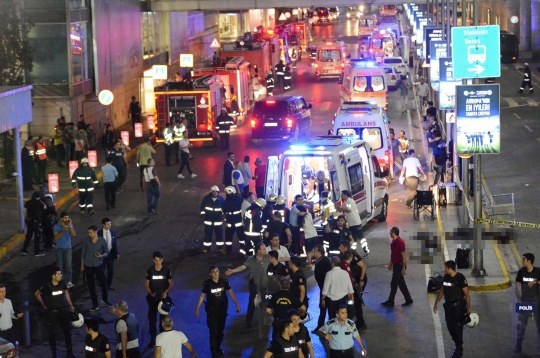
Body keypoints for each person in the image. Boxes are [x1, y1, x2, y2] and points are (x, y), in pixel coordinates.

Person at [195, 265, 241, 357]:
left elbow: (231, 293)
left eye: (217, 271)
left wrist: (237, 304)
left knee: (220, 331)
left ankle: (218, 347)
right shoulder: (207, 284)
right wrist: (197, 308)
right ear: (210, 274)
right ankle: (213, 351)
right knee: (213, 332)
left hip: (222, 311)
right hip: (212, 311)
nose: (216, 273)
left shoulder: (224, 282)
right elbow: (202, 296)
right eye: (213, 272)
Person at [34, 267, 76, 358]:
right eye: (58, 274)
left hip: (63, 311)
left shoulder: (62, 284)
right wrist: (43, 304)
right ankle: (54, 353)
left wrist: (70, 305)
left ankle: (70, 352)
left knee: (67, 332)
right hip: (52, 313)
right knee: (52, 334)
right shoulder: (47, 286)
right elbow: (37, 293)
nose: (61, 275)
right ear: (53, 276)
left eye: (60, 274)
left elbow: (66, 293)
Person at [433, 260, 472, 358]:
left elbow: (466, 294)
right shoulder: (445, 277)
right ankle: (458, 345)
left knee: (457, 328)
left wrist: (469, 307)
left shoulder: (460, 278)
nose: (444, 269)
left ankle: (459, 349)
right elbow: (442, 290)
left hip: (458, 307)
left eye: (445, 267)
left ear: (450, 268)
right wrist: (436, 303)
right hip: (448, 307)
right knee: (450, 327)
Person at [226, 242, 269, 329]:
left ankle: (266, 320)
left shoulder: (267, 257)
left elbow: (279, 259)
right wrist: (233, 271)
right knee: (252, 303)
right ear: (258, 251)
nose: (265, 250)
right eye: (263, 249)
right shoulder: (251, 260)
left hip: (265, 285)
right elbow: (243, 267)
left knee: (267, 302)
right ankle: (249, 321)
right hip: (255, 285)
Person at [513, 253, 540, 353]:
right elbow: (517, 286)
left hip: (536, 302)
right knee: (521, 325)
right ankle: (518, 346)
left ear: (529, 261)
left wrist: (535, 282)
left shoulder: (538, 271)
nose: (522, 261)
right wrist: (519, 298)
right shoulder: (521, 271)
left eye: (524, 259)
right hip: (525, 301)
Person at [145, 251, 173, 348]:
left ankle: (162, 340)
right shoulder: (150, 271)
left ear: (162, 260)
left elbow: (170, 283)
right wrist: (151, 293)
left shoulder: (166, 270)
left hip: (163, 299)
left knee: (163, 321)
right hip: (153, 299)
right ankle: (153, 340)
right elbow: (147, 285)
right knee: (152, 321)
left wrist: (166, 292)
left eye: (159, 260)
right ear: (153, 260)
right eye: (156, 260)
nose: (157, 262)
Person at [81, 225, 112, 311]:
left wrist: (101, 255)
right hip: (88, 265)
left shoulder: (102, 241)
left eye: (90, 232)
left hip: (98, 264)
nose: (89, 234)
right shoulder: (87, 241)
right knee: (91, 285)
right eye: (88, 232)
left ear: (95, 232)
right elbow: (83, 253)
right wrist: (82, 265)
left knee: (103, 282)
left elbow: (107, 251)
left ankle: (105, 299)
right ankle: (95, 304)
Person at [382, 227, 413, 308]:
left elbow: (403, 256)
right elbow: (393, 255)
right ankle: (408, 299)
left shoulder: (400, 243)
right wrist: (390, 264)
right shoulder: (393, 242)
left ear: (394, 233)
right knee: (401, 283)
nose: (390, 233)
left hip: (399, 265)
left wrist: (403, 268)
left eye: (391, 232)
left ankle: (391, 301)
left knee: (394, 284)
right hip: (396, 265)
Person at [339, 240, 367, 331]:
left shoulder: (353, 255)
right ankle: (358, 320)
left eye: (340, 246)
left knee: (357, 302)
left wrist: (361, 280)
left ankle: (361, 323)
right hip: (353, 282)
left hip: (359, 281)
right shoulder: (345, 256)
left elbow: (363, 266)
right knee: (354, 302)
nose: (339, 248)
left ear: (344, 247)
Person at [335, 190, 369, 258]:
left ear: (345, 195)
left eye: (342, 195)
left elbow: (348, 210)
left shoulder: (350, 201)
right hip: (351, 224)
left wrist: (341, 208)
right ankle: (353, 252)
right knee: (353, 239)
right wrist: (337, 206)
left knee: (361, 238)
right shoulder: (345, 202)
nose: (341, 196)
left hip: (356, 223)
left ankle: (366, 251)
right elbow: (341, 210)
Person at [53, 212, 76, 288]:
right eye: (65, 218)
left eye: (68, 218)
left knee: (68, 265)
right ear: (61, 219)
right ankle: (61, 281)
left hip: (68, 248)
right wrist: (62, 231)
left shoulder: (69, 225)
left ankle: (69, 281)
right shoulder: (56, 226)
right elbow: (56, 237)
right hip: (59, 248)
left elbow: (74, 235)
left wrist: (70, 226)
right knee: (60, 266)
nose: (67, 219)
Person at [200, 186, 225, 253]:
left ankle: (220, 248)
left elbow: (224, 208)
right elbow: (202, 208)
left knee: (219, 235)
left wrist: (222, 215)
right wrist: (203, 215)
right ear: (211, 192)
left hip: (218, 221)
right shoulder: (206, 199)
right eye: (214, 192)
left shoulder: (221, 199)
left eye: (216, 192)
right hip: (209, 220)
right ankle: (206, 248)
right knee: (208, 235)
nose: (215, 193)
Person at [313, 245, 332, 332]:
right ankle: (320, 326)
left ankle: (328, 327)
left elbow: (327, 275)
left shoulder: (324, 261)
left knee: (325, 307)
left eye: (315, 251)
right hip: (323, 288)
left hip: (326, 289)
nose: (314, 252)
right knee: (322, 308)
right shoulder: (320, 261)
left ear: (319, 252)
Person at [223, 186, 246, 255]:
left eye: (226, 193)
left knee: (241, 238)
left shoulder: (239, 199)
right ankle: (228, 250)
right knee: (228, 238)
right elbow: (224, 211)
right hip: (231, 221)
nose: (226, 194)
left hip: (236, 221)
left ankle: (243, 250)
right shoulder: (229, 200)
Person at [22, 191, 46, 257]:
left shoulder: (28, 202)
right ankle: (37, 252)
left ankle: (24, 250)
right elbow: (45, 207)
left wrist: (26, 218)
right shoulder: (39, 203)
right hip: (36, 222)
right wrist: (41, 201)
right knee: (37, 237)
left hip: (29, 221)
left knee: (28, 236)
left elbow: (24, 211)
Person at [98, 218, 119, 291]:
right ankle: (102, 284)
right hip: (102, 254)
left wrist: (116, 253)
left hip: (110, 253)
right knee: (102, 270)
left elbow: (114, 243)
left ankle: (109, 285)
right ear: (103, 225)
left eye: (110, 224)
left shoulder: (112, 232)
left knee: (111, 270)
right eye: (107, 224)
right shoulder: (99, 233)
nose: (109, 225)